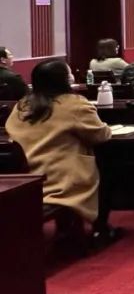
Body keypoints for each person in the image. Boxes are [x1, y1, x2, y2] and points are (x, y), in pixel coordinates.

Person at [4, 59, 118, 242]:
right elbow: (101, 135)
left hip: (25, 177)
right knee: (108, 168)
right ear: (63, 79)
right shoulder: (74, 105)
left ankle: (70, 226)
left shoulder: (22, 106)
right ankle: (101, 227)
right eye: (69, 73)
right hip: (62, 179)